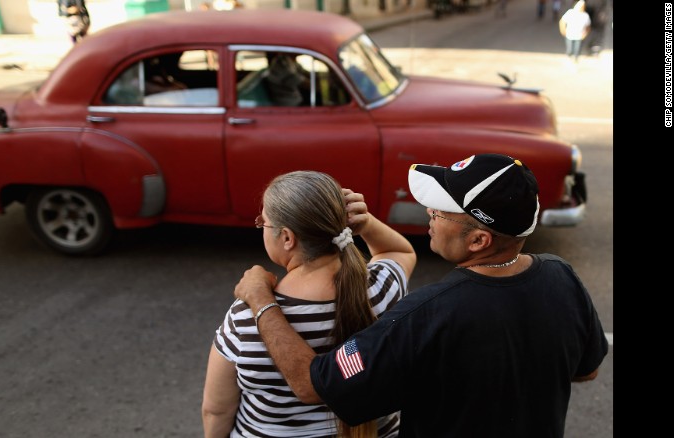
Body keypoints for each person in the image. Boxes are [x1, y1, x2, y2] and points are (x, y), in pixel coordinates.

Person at [233, 154, 609, 437]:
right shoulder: (562, 277)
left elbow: (313, 384)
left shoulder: (425, 316)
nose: (429, 212)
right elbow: (587, 368)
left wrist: (261, 300)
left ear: (478, 240)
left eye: (442, 210)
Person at [202, 170, 417, 437]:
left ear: (288, 238)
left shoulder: (248, 316)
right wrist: (367, 223)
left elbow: (216, 410)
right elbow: (399, 251)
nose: (262, 228)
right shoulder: (382, 288)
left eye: (264, 222)